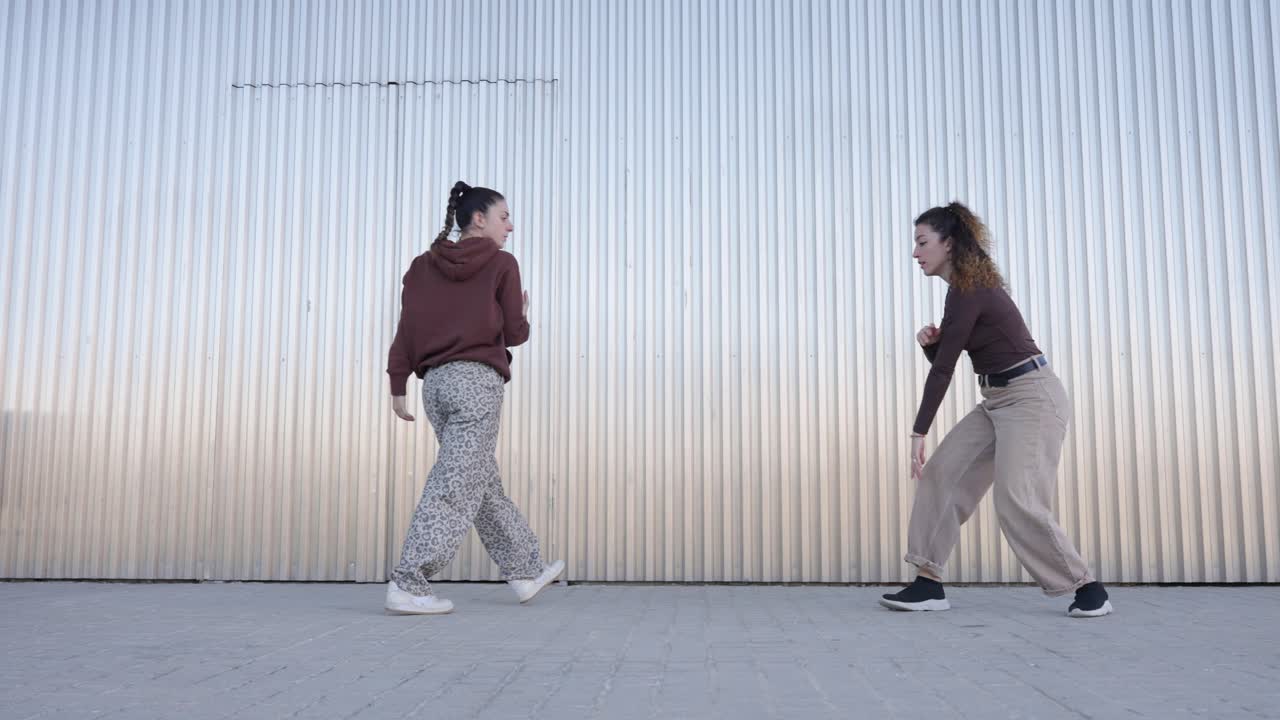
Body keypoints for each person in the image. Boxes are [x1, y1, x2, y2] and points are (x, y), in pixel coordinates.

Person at [879, 202, 1112, 618]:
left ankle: (1086, 587)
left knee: (1016, 498)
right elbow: (949, 357)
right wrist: (931, 345)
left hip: (1032, 398)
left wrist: (918, 431)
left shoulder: (971, 289)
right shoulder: (961, 292)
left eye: (922, 242)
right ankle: (927, 584)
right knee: (942, 473)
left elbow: (946, 371)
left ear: (948, 243)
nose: (915, 253)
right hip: (997, 400)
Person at [383, 180, 564, 615]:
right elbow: (514, 336)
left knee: (479, 481)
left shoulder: (420, 267)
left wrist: (397, 383)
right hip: (476, 386)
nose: (511, 226)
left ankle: (524, 570)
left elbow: (407, 330)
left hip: (437, 388)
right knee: (454, 484)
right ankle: (408, 582)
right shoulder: (502, 263)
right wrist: (522, 314)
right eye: (504, 217)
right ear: (479, 219)